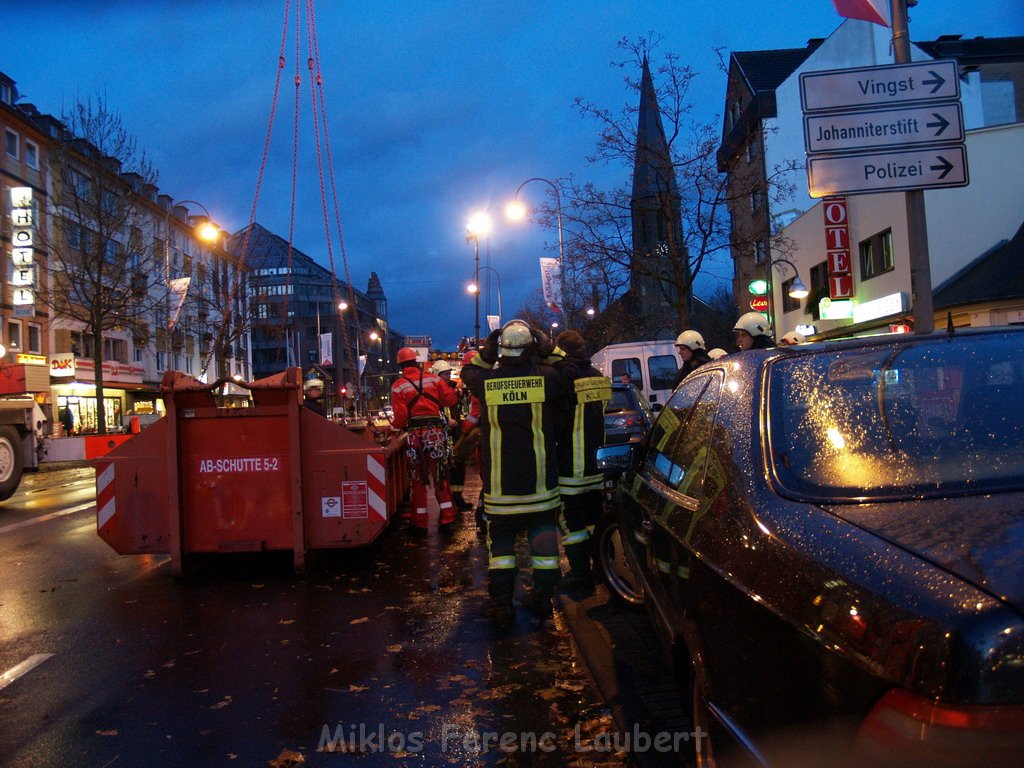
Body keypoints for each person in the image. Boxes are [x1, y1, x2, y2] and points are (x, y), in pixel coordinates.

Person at [461, 320, 574, 624]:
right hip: (541, 486)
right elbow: (568, 366)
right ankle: (542, 601)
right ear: (530, 347)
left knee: (501, 550)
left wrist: (488, 346)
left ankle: (501, 604)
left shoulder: (486, 382)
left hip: (501, 488)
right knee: (545, 549)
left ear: (502, 348)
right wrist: (547, 344)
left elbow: (467, 371)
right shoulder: (546, 378)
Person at [554, 330, 611, 595]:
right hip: (595, 466)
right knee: (594, 520)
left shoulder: (567, 380)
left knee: (573, 526)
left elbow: (558, 424)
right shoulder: (599, 378)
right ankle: (602, 569)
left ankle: (580, 575)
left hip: (570, 467)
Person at [390, 347, 460, 532]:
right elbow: (451, 401)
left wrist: (392, 428)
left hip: (415, 437)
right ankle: (448, 518)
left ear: (400, 365)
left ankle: (420, 523)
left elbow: (401, 417)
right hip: (435, 434)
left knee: (418, 478)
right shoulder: (433, 379)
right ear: (416, 362)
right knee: (439, 474)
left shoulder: (398, 386)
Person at [433, 359, 472, 513]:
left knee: (458, 467)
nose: (448, 376)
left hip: (455, 436)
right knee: (443, 471)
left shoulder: (453, 391)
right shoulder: (433, 392)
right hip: (441, 437)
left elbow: (459, 410)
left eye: (449, 373)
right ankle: (446, 502)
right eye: (444, 374)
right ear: (437, 375)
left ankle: (457, 498)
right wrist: (445, 421)